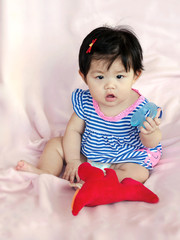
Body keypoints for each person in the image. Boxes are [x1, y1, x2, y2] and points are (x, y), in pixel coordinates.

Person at [16, 26, 162, 188]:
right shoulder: (85, 101)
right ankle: (47, 172)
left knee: (139, 173)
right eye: (100, 77)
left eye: (119, 76)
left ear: (135, 75)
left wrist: (150, 132)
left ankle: (97, 182)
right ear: (84, 77)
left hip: (124, 159)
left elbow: (151, 143)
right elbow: (74, 131)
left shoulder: (141, 108)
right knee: (55, 144)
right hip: (90, 154)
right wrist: (73, 161)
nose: (110, 85)